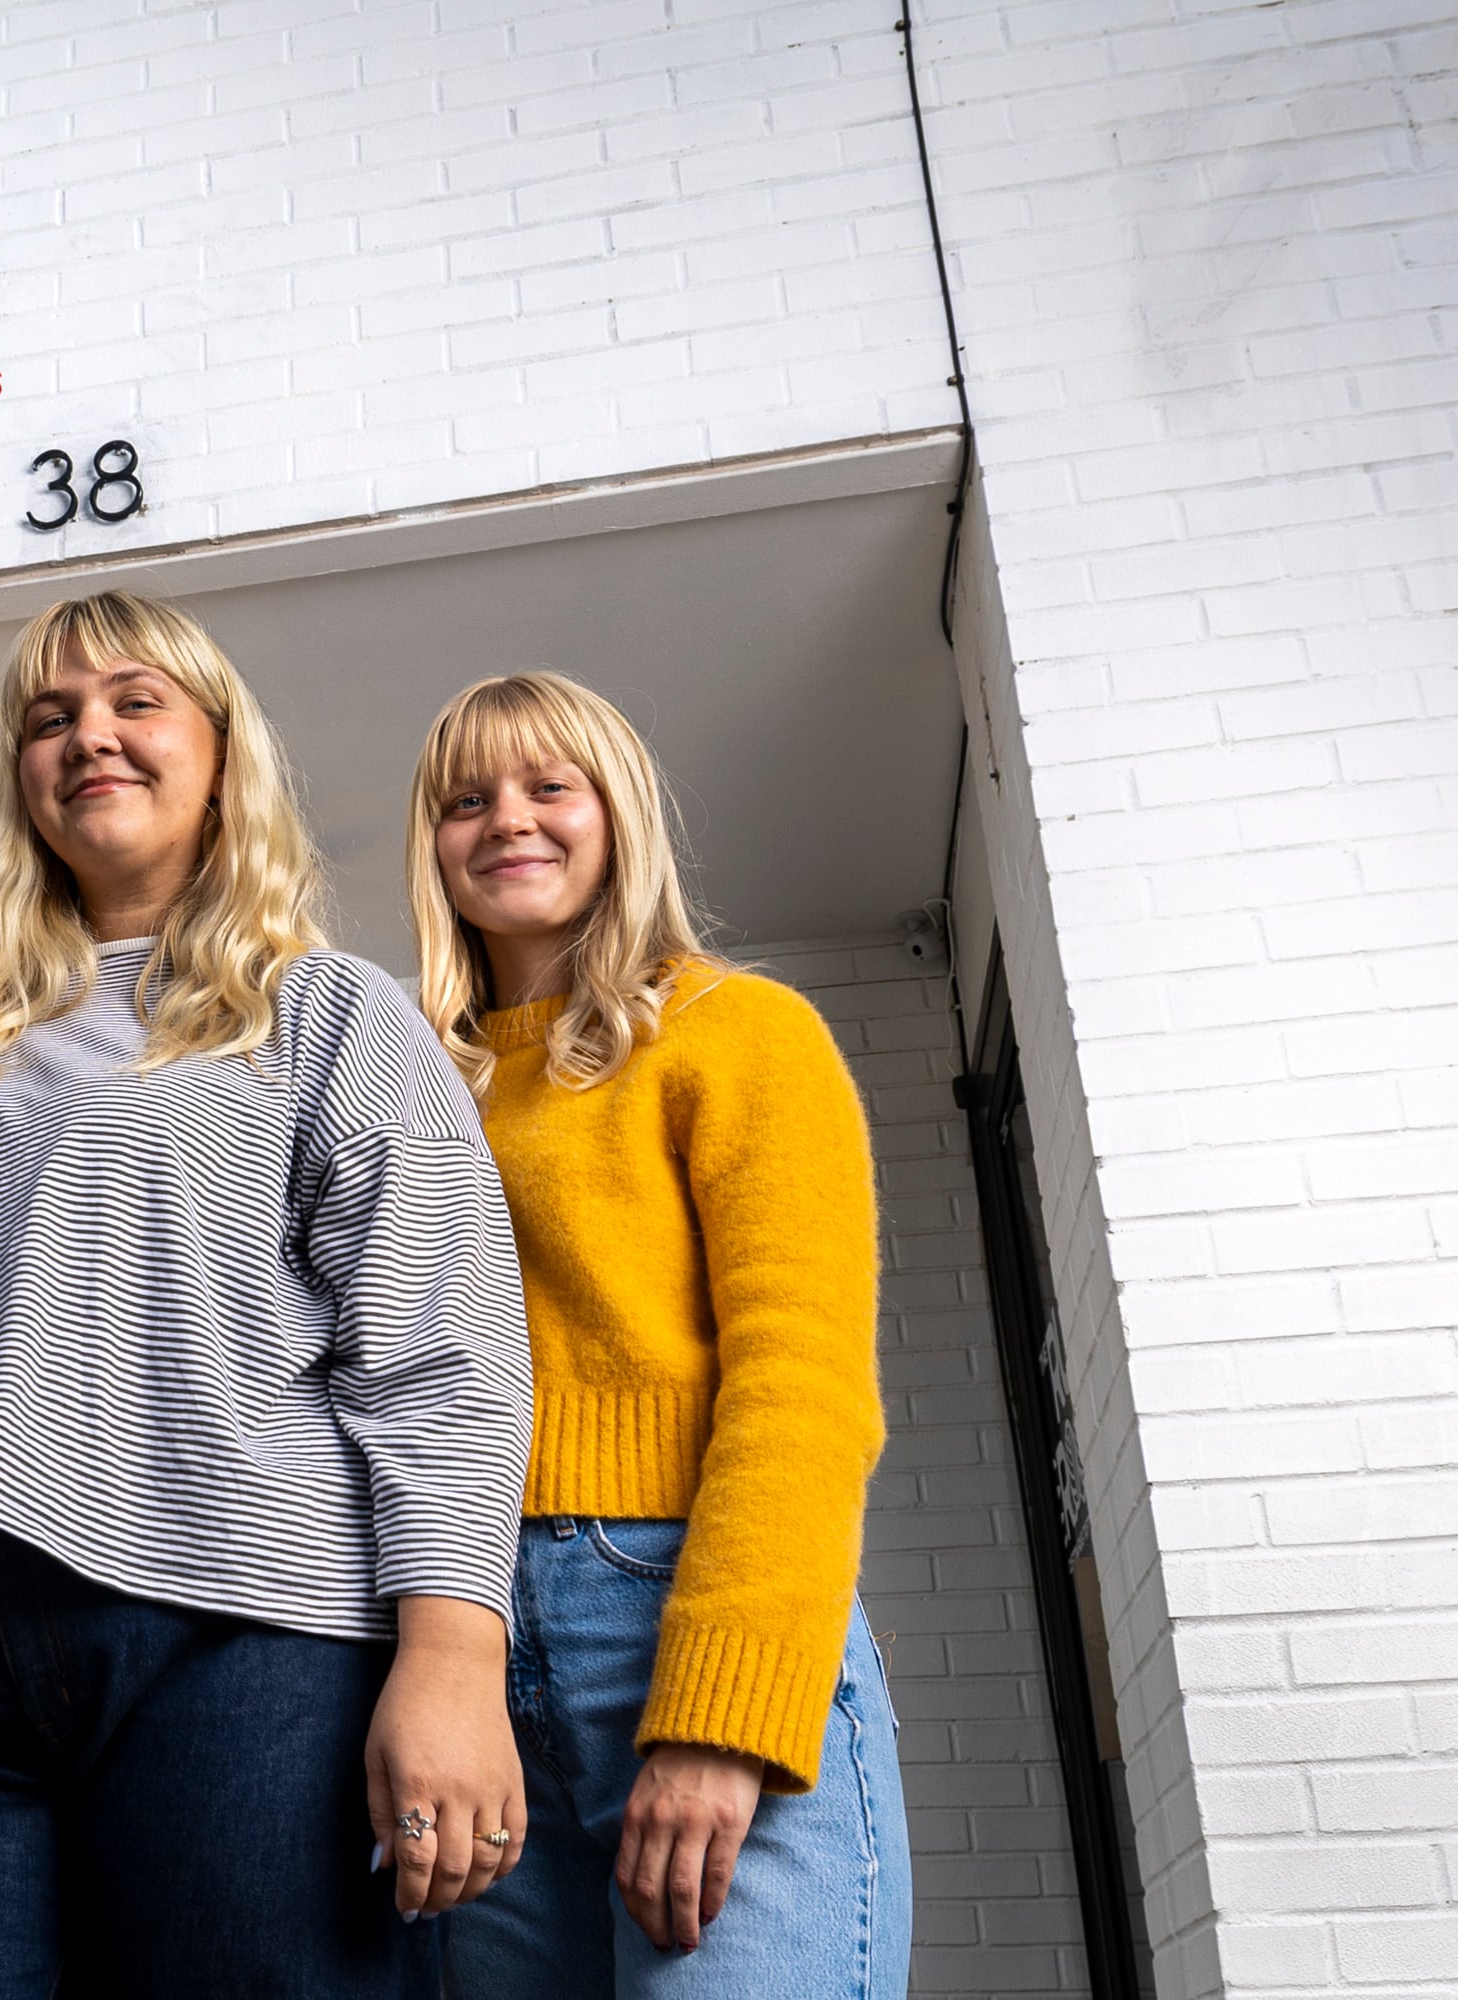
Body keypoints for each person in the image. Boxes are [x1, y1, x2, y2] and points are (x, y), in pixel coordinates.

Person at [0, 590, 537, 2000]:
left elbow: (443, 1353)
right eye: (50, 719)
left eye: (136, 703)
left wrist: (452, 1659)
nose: (90, 737)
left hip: (243, 1656)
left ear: (221, 751)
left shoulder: (330, 1012)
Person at [406, 671, 909, 1998]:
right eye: (468, 798)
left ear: (617, 814)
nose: (507, 819)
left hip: (675, 1608)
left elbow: (803, 1389)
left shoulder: (736, 1033)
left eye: (547, 786)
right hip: (465, 1643)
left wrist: (719, 1718)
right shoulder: (409, 1085)